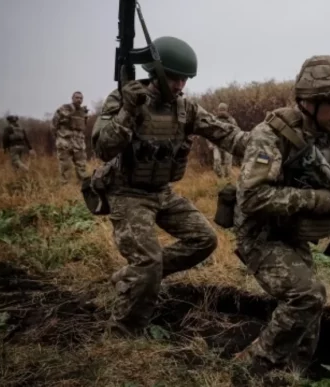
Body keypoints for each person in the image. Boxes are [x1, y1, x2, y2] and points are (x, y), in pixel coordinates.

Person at [231, 55, 330, 375]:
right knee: (306, 296)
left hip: (294, 237)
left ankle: (287, 376)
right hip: (261, 236)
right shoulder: (269, 136)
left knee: (310, 313)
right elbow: (253, 198)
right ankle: (249, 370)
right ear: (309, 100)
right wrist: (319, 200)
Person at [91, 36, 250, 335]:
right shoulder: (122, 99)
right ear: (156, 73)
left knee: (204, 240)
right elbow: (103, 149)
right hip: (127, 193)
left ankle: (133, 276)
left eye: (185, 79)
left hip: (162, 192)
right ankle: (123, 332)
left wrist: (269, 147)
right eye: (175, 78)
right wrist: (128, 110)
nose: (180, 86)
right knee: (149, 261)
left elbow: (227, 135)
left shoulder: (185, 109)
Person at [51, 91, 89, 184]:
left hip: (79, 142)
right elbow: (53, 124)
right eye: (77, 97)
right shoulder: (64, 109)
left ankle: (83, 186)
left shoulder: (83, 112)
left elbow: (83, 126)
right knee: (65, 165)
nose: (79, 100)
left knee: (81, 164)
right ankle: (65, 186)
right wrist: (58, 138)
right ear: (72, 98)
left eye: (81, 98)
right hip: (65, 141)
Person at [207, 102, 237, 179]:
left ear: (226, 110)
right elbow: (208, 132)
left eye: (223, 109)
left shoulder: (231, 120)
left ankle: (227, 178)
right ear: (218, 110)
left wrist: (234, 143)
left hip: (228, 144)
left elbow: (236, 132)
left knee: (228, 161)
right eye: (220, 109)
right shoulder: (214, 120)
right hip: (216, 143)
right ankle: (219, 176)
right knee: (217, 160)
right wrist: (210, 144)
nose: (222, 111)